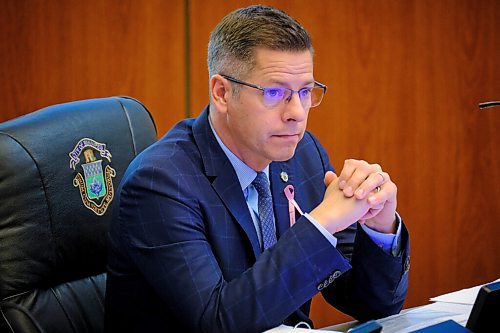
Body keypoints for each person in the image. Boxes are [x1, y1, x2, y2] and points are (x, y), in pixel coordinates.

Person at [105, 5, 409, 332]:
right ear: (222, 93)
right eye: (275, 92)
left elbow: (372, 304)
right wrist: (322, 223)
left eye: (305, 91)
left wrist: (379, 229)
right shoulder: (160, 183)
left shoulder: (304, 155)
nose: (296, 113)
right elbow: (219, 322)